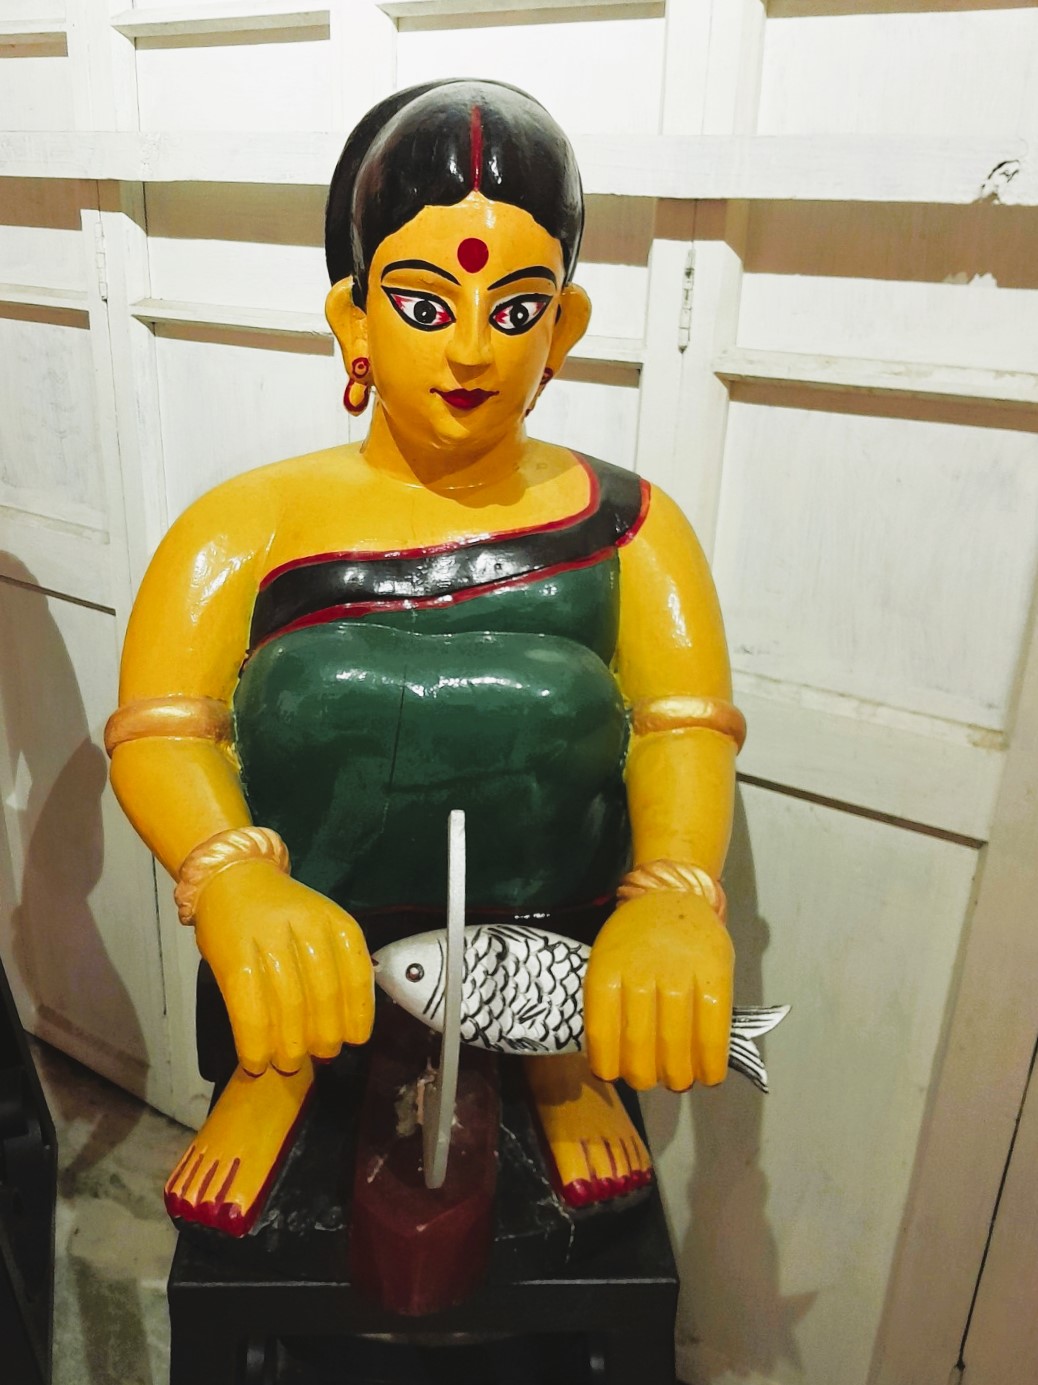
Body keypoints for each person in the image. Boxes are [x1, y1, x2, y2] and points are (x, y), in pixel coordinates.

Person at [105, 79, 742, 1234]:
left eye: (515, 307)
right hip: (302, 937)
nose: (472, 348)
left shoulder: (635, 528)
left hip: (550, 933)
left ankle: (557, 1061)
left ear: (564, 328)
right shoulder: (242, 524)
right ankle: (275, 1071)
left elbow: (681, 727)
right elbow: (160, 726)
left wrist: (677, 892)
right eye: (422, 302)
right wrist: (231, 875)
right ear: (353, 320)